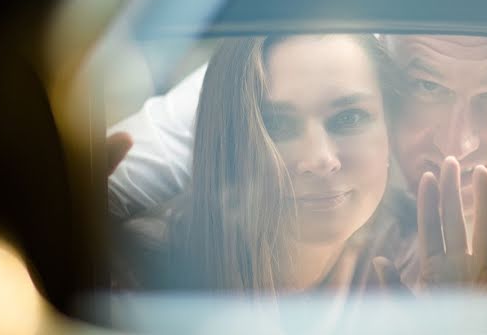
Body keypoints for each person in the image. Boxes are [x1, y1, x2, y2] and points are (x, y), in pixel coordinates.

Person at [108, 34, 487, 290]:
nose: (456, 144)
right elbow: (109, 183)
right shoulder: (317, 67)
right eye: (427, 86)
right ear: (386, 60)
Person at [113, 34, 414, 297]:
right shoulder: (137, 273)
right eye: (277, 125)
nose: (321, 160)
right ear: (227, 141)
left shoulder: (418, 255)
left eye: (349, 118)